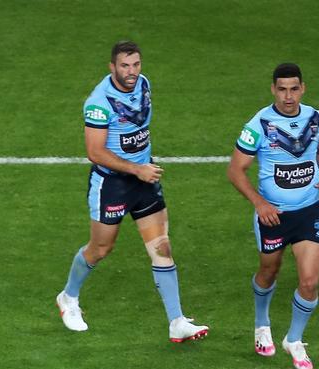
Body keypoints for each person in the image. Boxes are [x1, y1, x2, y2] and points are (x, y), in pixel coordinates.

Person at [56, 40, 208, 343]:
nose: (131, 72)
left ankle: (176, 321)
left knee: (161, 246)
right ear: (112, 67)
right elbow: (95, 152)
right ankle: (68, 297)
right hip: (111, 184)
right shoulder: (99, 103)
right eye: (124, 66)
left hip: (145, 179)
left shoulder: (143, 85)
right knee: (101, 249)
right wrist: (137, 168)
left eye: (136, 65)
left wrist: (143, 166)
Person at [227, 63, 319, 369]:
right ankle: (262, 323)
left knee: (310, 281)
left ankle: (294, 339)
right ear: (273, 90)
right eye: (282, 89)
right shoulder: (259, 125)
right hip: (273, 215)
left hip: (308, 211)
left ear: (303, 88)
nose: (288, 96)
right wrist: (260, 203)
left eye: (294, 88)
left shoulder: (316, 119)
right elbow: (235, 170)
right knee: (269, 271)